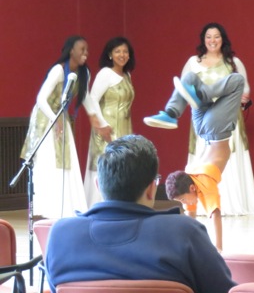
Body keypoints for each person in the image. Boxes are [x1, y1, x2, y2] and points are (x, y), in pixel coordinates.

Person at [45, 135, 236, 293]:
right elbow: (224, 290)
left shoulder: (61, 234)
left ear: (98, 186)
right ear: (152, 188)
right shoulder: (185, 233)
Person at [20, 36, 110, 218]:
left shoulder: (84, 73)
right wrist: (55, 120)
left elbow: (86, 98)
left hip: (61, 117)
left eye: (87, 50)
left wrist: (98, 121)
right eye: (82, 49)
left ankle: (69, 206)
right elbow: (41, 99)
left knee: (67, 160)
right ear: (71, 51)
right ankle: (50, 208)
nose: (86, 53)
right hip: (46, 118)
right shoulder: (58, 71)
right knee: (51, 161)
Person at [180, 24, 254, 216]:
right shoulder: (193, 62)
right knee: (206, 156)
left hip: (228, 116)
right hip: (204, 116)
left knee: (227, 156)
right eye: (209, 37)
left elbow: (245, 89)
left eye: (216, 36)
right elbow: (183, 90)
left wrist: (238, 98)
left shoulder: (233, 62)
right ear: (203, 39)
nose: (212, 40)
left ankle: (233, 205)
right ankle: (201, 201)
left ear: (222, 39)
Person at [143, 47, 246, 188]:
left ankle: (173, 112)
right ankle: (182, 106)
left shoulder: (196, 174)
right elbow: (205, 195)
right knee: (192, 77)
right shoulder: (201, 177)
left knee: (236, 79)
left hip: (213, 129)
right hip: (211, 129)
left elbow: (196, 194)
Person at [84, 37, 136, 207]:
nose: (122, 54)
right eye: (117, 51)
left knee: (123, 164)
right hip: (107, 128)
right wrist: (102, 125)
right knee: (106, 165)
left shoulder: (127, 75)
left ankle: (121, 204)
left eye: (125, 51)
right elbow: (92, 98)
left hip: (124, 128)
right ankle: (99, 204)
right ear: (110, 55)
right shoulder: (105, 73)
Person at [166, 165, 223, 250]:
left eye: (183, 199)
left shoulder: (205, 183)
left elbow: (216, 214)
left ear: (192, 188)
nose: (183, 203)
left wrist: (218, 249)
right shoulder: (187, 183)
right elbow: (190, 216)